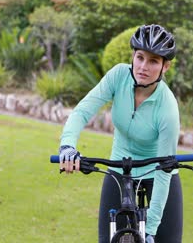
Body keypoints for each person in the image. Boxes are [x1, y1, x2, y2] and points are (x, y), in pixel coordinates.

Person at [58, 24, 182, 243]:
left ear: (165, 67)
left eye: (153, 61)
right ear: (133, 56)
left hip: (157, 173)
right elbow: (82, 111)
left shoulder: (168, 107)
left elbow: (164, 170)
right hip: (119, 166)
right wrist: (68, 145)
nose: (143, 66)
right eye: (140, 57)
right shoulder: (118, 76)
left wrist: (151, 229)